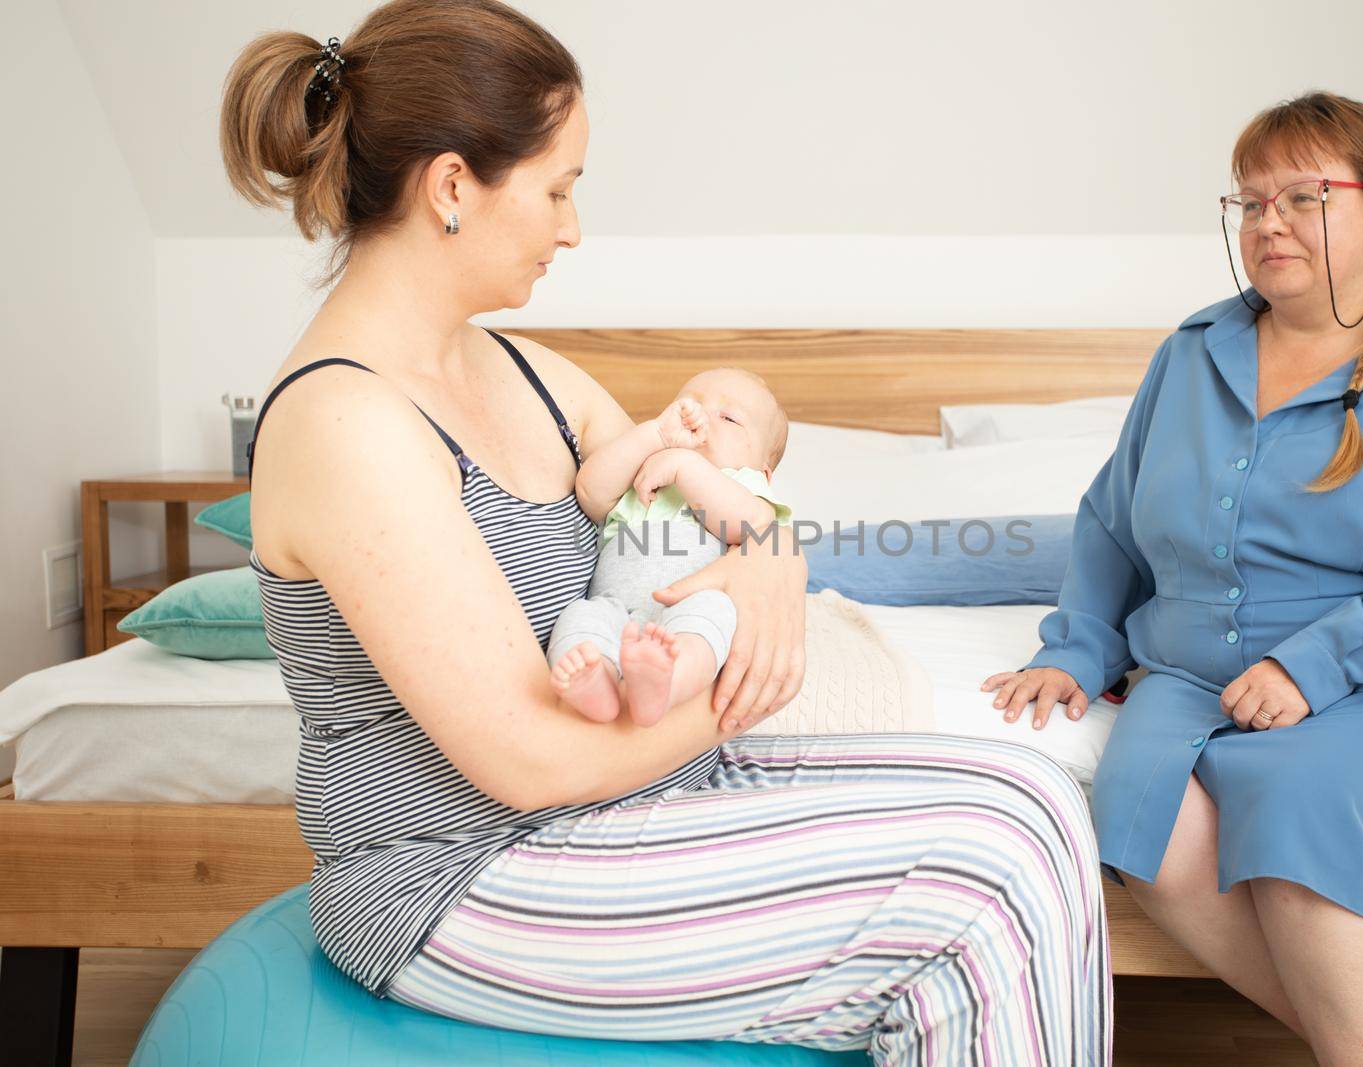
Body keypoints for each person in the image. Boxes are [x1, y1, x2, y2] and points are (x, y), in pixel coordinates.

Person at [223, 1, 1110, 1061]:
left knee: (1034, 790)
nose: (572, 228)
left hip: (632, 799)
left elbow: (734, 493)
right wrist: (754, 675)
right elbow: (528, 755)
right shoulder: (343, 421)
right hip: (460, 873)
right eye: (557, 190)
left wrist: (772, 560)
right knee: (989, 866)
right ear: (453, 185)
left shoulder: (526, 372)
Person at [981, 91, 1363, 1065]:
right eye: (1249, 203)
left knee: (1302, 796)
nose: (1267, 223)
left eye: (1301, 195)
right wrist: (1076, 645)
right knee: (1135, 810)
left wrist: (1314, 667)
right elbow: (1114, 518)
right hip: (1196, 666)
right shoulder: (1192, 351)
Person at [548, 369, 792, 726]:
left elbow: (753, 526)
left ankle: (666, 684)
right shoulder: (644, 472)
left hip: (690, 607)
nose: (703, 419)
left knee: (713, 616)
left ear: (764, 473)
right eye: (691, 406)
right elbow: (591, 492)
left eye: (729, 418)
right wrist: (657, 435)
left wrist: (686, 467)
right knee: (580, 618)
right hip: (615, 605)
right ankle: (595, 683)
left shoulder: (744, 486)